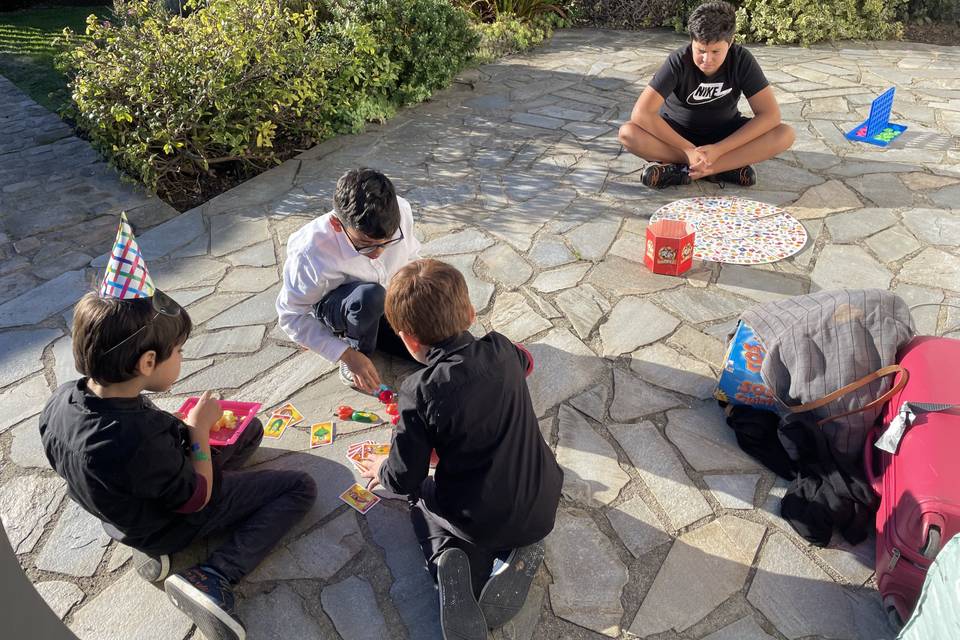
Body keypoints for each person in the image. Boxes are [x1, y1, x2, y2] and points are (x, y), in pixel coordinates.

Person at [40, 215, 316, 640]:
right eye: (179, 351)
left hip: (124, 514)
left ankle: (156, 550)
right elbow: (195, 498)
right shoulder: (138, 440)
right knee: (298, 488)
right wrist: (199, 433)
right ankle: (211, 576)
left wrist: (190, 430)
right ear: (147, 362)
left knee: (250, 429)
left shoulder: (61, 400)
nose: (182, 357)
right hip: (173, 514)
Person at [358, 258, 563, 640]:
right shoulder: (503, 348)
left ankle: (444, 558)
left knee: (418, 498)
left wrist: (383, 467)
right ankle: (520, 551)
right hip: (545, 499)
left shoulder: (418, 392)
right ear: (470, 313)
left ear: (408, 339)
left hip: (482, 520)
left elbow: (405, 478)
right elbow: (525, 362)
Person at [618, 0, 795, 188]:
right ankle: (724, 167)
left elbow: (770, 115)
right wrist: (687, 149)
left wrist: (719, 149)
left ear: (731, 41)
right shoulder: (678, 61)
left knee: (785, 134)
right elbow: (641, 113)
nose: (707, 59)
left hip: (724, 135)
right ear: (691, 41)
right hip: (676, 137)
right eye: (700, 50)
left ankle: (687, 171)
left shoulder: (742, 60)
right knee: (628, 133)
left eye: (716, 51)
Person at [276, 167, 422, 394]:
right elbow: (291, 316)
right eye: (365, 243)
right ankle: (358, 350)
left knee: (440, 350)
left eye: (388, 241)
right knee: (369, 297)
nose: (378, 253)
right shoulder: (310, 251)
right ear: (337, 225)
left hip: (386, 297)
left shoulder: (402, 210)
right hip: (341, 305)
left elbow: (412, 259)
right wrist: (345, 354)